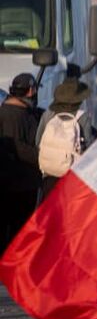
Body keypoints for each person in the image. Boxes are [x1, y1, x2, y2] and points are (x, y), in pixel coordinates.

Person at [36, 67, 95, 201]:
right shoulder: (82, 117)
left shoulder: (48, 114)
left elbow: (38, 141)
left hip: (49, 173)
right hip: (70, 173)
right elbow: (88, 146)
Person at [0, 73, 43, 251]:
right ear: (31, 91)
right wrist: (41, 156)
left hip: (4, 183)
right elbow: (23, 150)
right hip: (24, 185)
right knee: (19, 232)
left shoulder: (2, 112)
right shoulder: (29, 116)